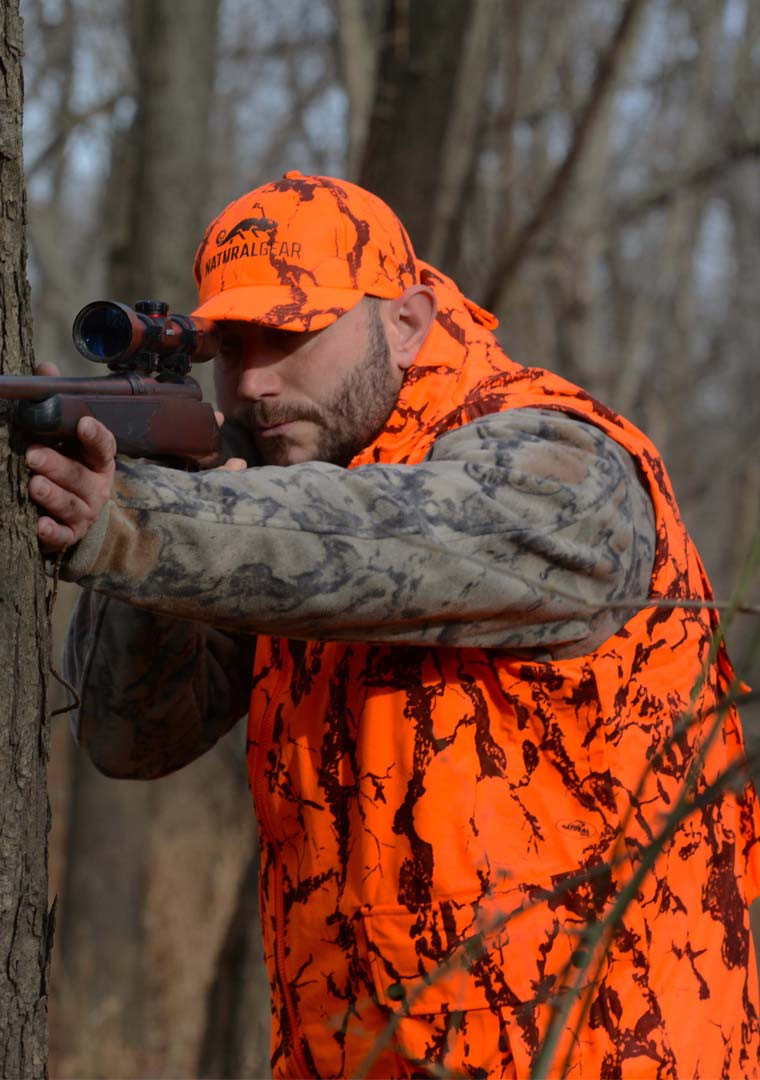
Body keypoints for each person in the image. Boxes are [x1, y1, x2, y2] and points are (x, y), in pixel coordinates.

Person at [26, 171, 760, 1078]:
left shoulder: (565, 460)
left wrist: (144, 520)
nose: (255, 379)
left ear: (407, 322)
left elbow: (379, 538)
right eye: (231, 345)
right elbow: (132, 735)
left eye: (291, 334)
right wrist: (150, 474)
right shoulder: (264, 493)